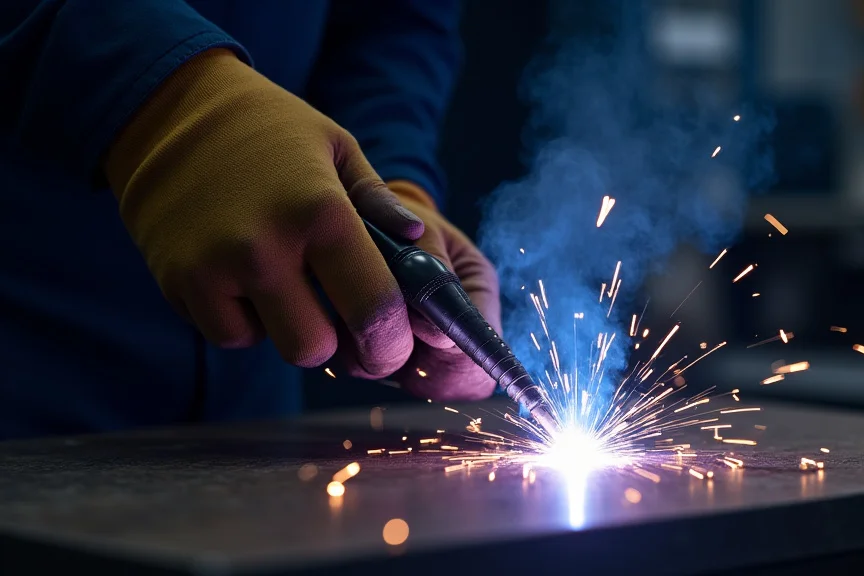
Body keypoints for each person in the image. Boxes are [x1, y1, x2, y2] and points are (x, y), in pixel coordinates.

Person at [0, 0, 501, 439]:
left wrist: (385, 180)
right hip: (32, 350)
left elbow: (389, 20)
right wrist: (156, 91)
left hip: (253, 390)